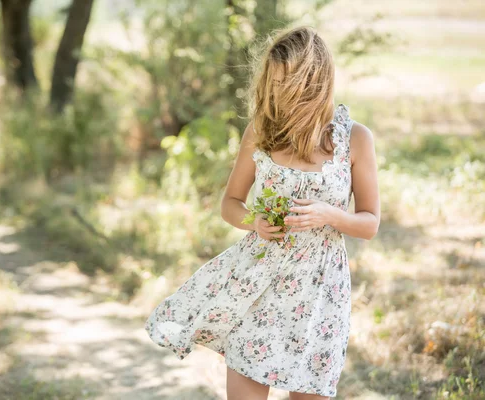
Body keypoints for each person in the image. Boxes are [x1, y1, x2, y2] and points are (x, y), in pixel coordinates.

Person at [144, 25, 380, 400]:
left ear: (316, 82)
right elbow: (230, 203)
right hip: (259, 284)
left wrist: (329, 215)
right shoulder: (262, 131)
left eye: (290, 82)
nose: (279, 92)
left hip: (320, 293)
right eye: (275, 82)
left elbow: (369, 223)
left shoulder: (355, 139)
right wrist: (253, 222)